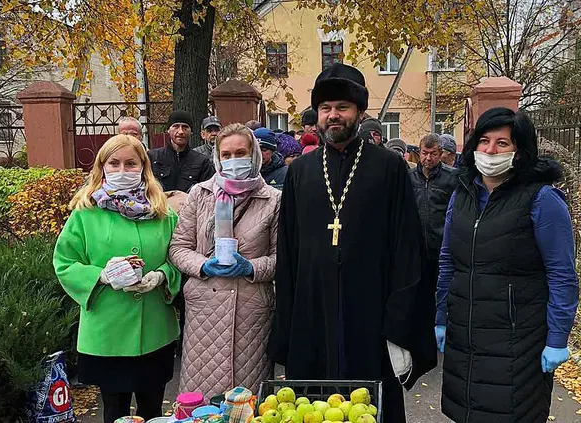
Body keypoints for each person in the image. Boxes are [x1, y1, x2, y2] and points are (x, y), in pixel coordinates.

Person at [268, 63, 437, 423]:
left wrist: (399, 325)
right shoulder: (301, 171)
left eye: (342, 107)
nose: (333, 116)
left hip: (371, 314)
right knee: (310, 409)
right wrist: (287, 325)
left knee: (370, 408)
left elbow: (407, 250)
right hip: (313, 312)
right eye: (326, 108)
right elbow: (288, 253)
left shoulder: (390, 169)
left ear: (359, 112)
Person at [435, 108, 579, 423]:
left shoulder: (542, 200)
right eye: (484, 141)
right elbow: (448, 261)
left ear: (521, 150)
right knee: (467, 412)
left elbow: (562, 275)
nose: (489, 150)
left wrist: (557, 339)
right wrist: (441, 316)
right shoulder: (461, 195)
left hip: (517, 341)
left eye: (502, 143)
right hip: (466, 336)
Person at [53, 135, 181, 423]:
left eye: (130, 163)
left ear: (143, 167)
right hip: (108, 333)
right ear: (102, 167)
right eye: (114, 163)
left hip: (155, 332)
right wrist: (100, 275)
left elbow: (179, 258)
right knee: (115, 412)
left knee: (152, 411)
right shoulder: (85, 214)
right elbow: (64, 262)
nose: (122, 169)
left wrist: (162, 276)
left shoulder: (163, 213)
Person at [169, 123, 281, 400]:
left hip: (251, 311)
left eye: (241, 153)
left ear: (254, 155)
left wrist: (252, 266)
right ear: (217, 157)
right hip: (204, 310)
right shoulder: (200, 194)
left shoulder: (273, 200)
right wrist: (202, 265)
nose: (234, 161)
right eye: (227, 154)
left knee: (248, 400)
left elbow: (283, 258)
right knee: (201, 399)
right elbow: (179, 248)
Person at [409, 133, 456, 286]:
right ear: (419, 152)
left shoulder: (452, 177)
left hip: (442, 248)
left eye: (433, 154)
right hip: (415, 250)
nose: (428, 158)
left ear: (440, 154)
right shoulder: (409, 177)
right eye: (425, 153)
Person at [148, 110, 215, 193]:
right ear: (168, 130)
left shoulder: (202, 161)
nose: (180, 131)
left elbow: (207, 193)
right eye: (176, 126)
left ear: (191, 132)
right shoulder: (153, 157)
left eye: (185, 127)